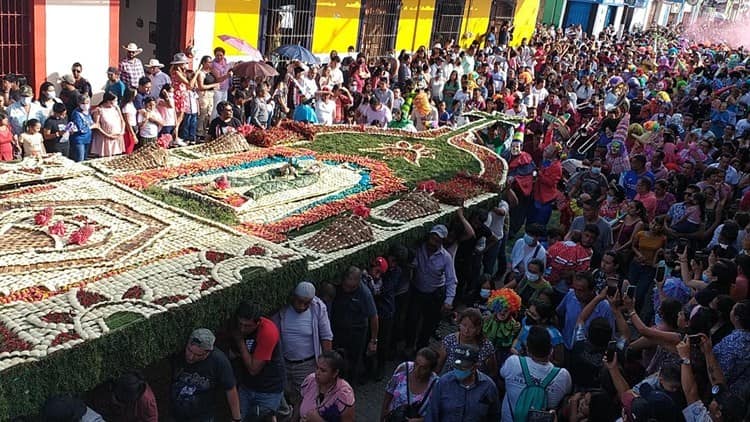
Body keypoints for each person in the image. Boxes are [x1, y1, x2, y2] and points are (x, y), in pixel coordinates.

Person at [271, 281, 334, 407]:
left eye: (306, 303)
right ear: (293, 297)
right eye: (299, 301)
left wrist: (326, 366)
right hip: (285, 363)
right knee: (288, 395)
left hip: (306, 365)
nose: (301, 306)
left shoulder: (318, 308)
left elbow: (326, 337)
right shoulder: (283, 308)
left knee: (306, 398)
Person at [500, 326, 572, 422]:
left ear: (528, 349)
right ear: (551, 350)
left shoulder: (513, 362)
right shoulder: (563, 376)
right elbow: (566, 395)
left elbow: (502, 374)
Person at [405, 225, 458, 353]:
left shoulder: (445, 257)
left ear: (442, 241)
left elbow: (451, 280)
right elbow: (414, 264)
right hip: (418, 290)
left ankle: (421, 348)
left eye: (437, 239)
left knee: (429, 323)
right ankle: (409, 346)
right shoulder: (419, 249)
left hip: (435, 293)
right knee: (412, 319)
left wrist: (448, 300)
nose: (433, 242)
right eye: (432, 238)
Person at [171, 328, 242, 422]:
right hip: (176, 413)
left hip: (202, 416)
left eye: (198, 355)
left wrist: (236, 418)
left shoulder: (219, 361)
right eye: (189, 350)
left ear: (208, 352)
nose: (191, 357)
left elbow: (230, 388)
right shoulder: (179, 353)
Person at [228, 301, 284, 419]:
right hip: (246, 386)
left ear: (258, 323)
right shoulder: (237, 326)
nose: (242, 329)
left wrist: (240, 342)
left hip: (268, 390)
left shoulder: (268, 332)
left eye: (247, 326)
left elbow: (254, 369)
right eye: (240, 324)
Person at [425, 344, 500, 422]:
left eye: (463, 367)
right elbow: (432, 414)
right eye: (456, 366)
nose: (458, 370)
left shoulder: (488, 387)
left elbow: (494, 415)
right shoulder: (443, 383)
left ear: (475, 367)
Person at [330, 266, 378, 384]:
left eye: (351, 287)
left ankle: (348, 385)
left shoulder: (364, 293)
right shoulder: (338, 286)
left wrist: (373, 340)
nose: (346, 289)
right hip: (338, 328)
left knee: (354, 360)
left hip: (357, 331)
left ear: (358, 283)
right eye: (345, 286)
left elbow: (374, 316)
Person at [557, 271, 615, 350]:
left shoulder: (605, 307)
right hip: (566, 346)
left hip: (588, 354)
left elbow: (610, 335)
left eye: (580, 290)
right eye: (575, 289)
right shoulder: (570, 295)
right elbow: (559, 313)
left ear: (592, 290)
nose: (576, 293)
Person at [381, 347, 439, 422]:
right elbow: (389, 392)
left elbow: (436, 415)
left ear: (431, 370)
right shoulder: (404, 368)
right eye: (416, 364)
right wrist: (383, 415)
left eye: (423, 368)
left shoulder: (436, 385)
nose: (416, 370)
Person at [297, 350, 355, 422]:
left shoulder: (344, 394)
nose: (317, 373)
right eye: (317, 368)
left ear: (335, 373)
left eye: (323, 370)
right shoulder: (310, 380)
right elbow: (299, 403)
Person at [436, 308, 496, 376]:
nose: (466, 331)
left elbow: (493, 372)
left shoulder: (486, 346)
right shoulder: (449, 340)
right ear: (459, 324)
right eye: (464, 325)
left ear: (478, 329)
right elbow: (438, 367)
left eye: (471, 327)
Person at [90, 92, 125, 158]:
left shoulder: (116, 108)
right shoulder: (99, 110)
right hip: (105, 139)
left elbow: (122, 121)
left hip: (117, 137)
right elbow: (97, 126)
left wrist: (122, 131)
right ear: (108, 101)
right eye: (114, 101)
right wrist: (108, 135)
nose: (115, 102)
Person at [69, 95, 97, 162]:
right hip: (79, 140)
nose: (85, 105)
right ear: (79, 103)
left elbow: (90, 122)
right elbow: (80, 128)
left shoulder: (87, 111)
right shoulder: (76, 113)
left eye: (87, 103)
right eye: (83, 103)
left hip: (87, 139)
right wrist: (92, 126)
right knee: (80, 159)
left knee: (85, 159)